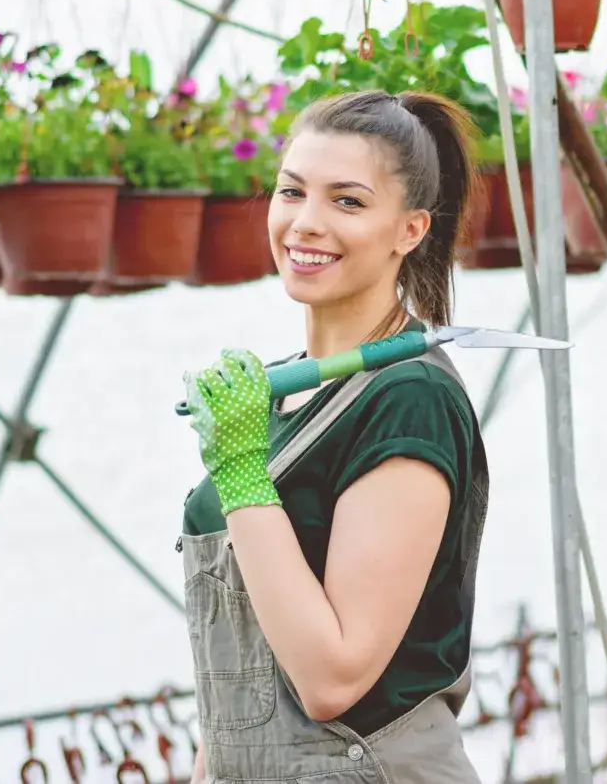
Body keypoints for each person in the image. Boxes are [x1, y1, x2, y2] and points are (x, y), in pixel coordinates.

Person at [178, 89, 489, 783]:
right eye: (292, 192)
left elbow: (333, 679)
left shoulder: (410, 398)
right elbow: (243, 675)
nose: (305, 224)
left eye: (347, 202)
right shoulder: (282, 390)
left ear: (410, 230)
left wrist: (241, 473)